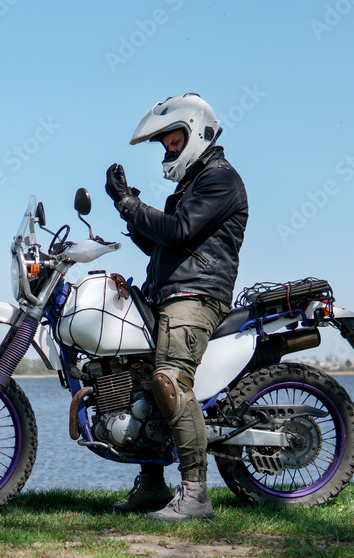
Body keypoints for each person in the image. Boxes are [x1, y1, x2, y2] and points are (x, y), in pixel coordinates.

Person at [103, 92, 248, 521]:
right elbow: (160, 241)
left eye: (173, 139)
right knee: (138, 380)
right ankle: (151, 485)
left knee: (168, 382)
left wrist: (130, 204)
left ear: (196, 132)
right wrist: (127, 209)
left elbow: (178, 230)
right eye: (164, 142)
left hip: (197, 296)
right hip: (169, 291)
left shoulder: (219, 179)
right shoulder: (192, 184)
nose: (168, 149)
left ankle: (197, 494)